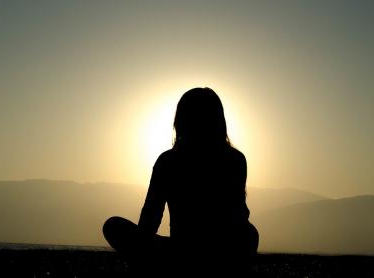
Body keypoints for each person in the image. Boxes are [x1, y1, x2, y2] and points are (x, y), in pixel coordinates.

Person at [103, 87, 259, 275]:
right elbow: (238, 215)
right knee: (249, 234)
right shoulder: (235, 159)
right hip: (216, 252)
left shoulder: (168, 161)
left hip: (183, 252)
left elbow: (150, 219)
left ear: (180, 121)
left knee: (114, 226)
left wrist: (140, 252)